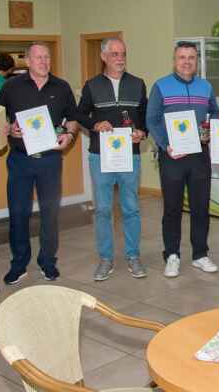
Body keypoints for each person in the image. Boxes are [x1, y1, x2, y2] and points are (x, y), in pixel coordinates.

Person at [0, 41, 79, 285]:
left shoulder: (61, 87)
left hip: (50, 160)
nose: (44, 62)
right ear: (27, 60)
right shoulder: (11, 86)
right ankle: (19, 264)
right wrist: (9, 128)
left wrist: (69, 135)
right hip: (20, 159)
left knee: (50, 214)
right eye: (38, 57)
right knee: (18, 213)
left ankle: (48, 261)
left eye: (47, 57)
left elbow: (73, 118)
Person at [76, 37, 148, 281]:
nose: (120, 58)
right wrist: (95, 124)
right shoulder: (92, 85)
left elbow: (145, 116)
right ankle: (106, 259)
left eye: (123, 54)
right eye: (115, 54)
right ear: (104, 57)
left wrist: (142, 132)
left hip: (130, 156)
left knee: (131, 208)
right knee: (103, 209)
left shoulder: (137, 84)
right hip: (101, 157)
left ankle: (133, 256)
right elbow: (79, 114)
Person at [146, 41, 219, 278]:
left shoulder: (205, 86)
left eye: (191, 57)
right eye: (182, 57)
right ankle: (172, 255)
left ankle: (200, 254)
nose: (186, 62)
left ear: (197, 60)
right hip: (172, 156)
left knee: (200, 207)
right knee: (172, 208)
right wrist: (165, 145)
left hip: (199, 155)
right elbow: (151, 119)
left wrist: (210, 127)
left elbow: (215, 112)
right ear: (174, 60)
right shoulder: (161, 86)